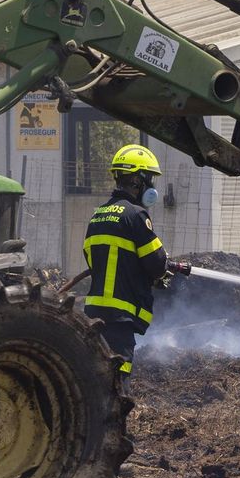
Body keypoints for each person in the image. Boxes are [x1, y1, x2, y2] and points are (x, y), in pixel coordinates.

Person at [81, 144, 186, 375]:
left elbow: (94, 260)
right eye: (149, 179)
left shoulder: (97, 215)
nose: (152, 186)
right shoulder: (135, 215)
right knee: (118, 379)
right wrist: (162, 272)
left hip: (93, 315)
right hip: (120, 319)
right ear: (137, 182)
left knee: (96, 373)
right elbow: (157, 264)